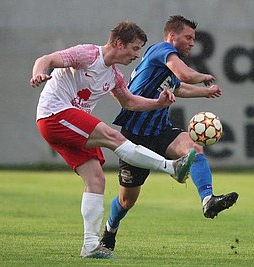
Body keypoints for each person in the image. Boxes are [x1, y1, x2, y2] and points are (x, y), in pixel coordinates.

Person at [29, 20, 196, 259]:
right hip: (54, 113)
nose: (137, 55)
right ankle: (171, 167)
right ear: (119, 43)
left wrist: (158, 103)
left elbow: (129, 102)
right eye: (135, 48)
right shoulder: (87, 54)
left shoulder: (114, 76)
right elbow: (46, 59)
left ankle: (90, 245)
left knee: (96, 179)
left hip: (68, 124)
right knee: (112, 136)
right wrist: (38, 74)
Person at [100, 15, 239, 252]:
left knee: (194, 147)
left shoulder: (167, 67)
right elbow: (184, 75)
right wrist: (203, 77)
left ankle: (208, 200)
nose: (192, 42)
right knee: (127, 200)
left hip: (161, 130)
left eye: (194, 38)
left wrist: (204, 92)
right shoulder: (160, 50)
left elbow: (179, 86)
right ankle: (109, 233)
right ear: (172, 36)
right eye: (188, 37)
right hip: (135, 136)